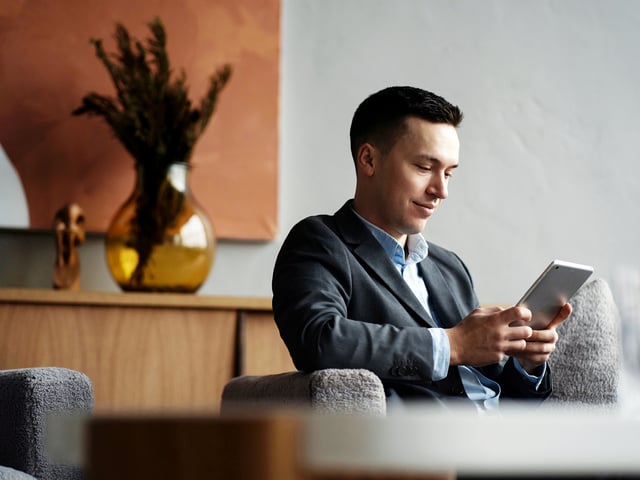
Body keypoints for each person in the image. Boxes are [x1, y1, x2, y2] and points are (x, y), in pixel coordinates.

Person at [272, 86, 571, 410]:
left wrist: (524, 364)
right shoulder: (320, 241)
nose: (441, 190)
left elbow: (483, 385)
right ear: (369, 160)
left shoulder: (450, 268)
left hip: (499, 440)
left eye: (449, 173)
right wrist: (452, 345)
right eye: (424, 168)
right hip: (427, 447)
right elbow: (319, 341)